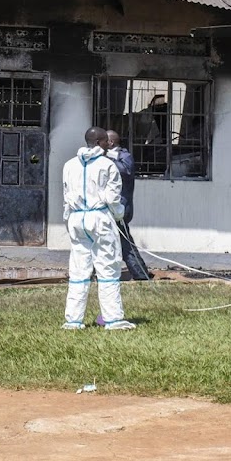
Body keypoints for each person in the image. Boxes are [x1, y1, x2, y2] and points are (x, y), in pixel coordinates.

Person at [61, 126, 136, 331]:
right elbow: (112, 198)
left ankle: (73, 320)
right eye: (105, 141)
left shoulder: (69, 165)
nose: (107, 145)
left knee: (79, 269)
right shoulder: (107, 165)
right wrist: (119, 215)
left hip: (77, 218)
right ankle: (113, 318)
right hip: (99, 218)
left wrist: (68, 218)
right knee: (108, 267)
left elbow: (66, 195)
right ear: (99, 142)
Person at [106, 129, 154, 280]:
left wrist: (108, 159)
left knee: (125, 244)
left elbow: (126, 171)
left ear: (111, 142)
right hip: (110, 207)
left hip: (120, 208)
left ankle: (141, 274)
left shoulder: (124, 156)